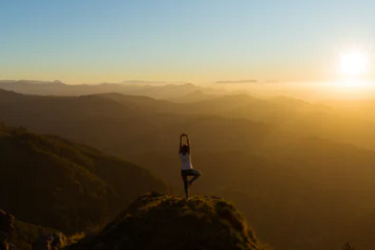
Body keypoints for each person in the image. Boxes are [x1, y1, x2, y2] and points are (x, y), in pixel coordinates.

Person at [179, 133, 201, 201]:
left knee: (185, 184)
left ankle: (187, 197)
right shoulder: (188, 154)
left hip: (183, 171)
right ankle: (190, 181)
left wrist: (180, 138)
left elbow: (180, 146)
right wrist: (187, 137)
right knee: (198, 174)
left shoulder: (180, 154)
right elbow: (189, 145)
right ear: (187, 149)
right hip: (189, 170)